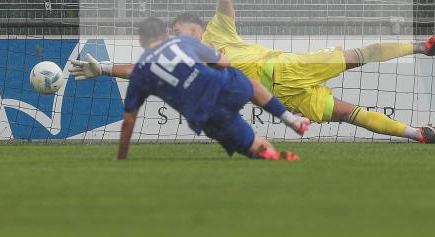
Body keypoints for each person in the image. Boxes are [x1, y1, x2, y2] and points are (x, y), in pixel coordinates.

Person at [170, 0, 435, 144]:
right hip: (282, 96)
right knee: (348, 113)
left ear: (192, 25)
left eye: (177, 29)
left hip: (282, 70)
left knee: (355, 58)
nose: (175, 36)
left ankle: (422, 47)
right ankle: (417, 134)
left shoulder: (216, 31)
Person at [74, 17, 309, 161]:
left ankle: (267, 153)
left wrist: (121, 158)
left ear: (141, 42)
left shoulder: (143, 70)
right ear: (166, 35)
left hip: (206, 113)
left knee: (252, 147)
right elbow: (224, 64)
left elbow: (128, 120)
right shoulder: (185, 41)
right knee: (249, 83)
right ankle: (292, 120)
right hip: (224, 87)